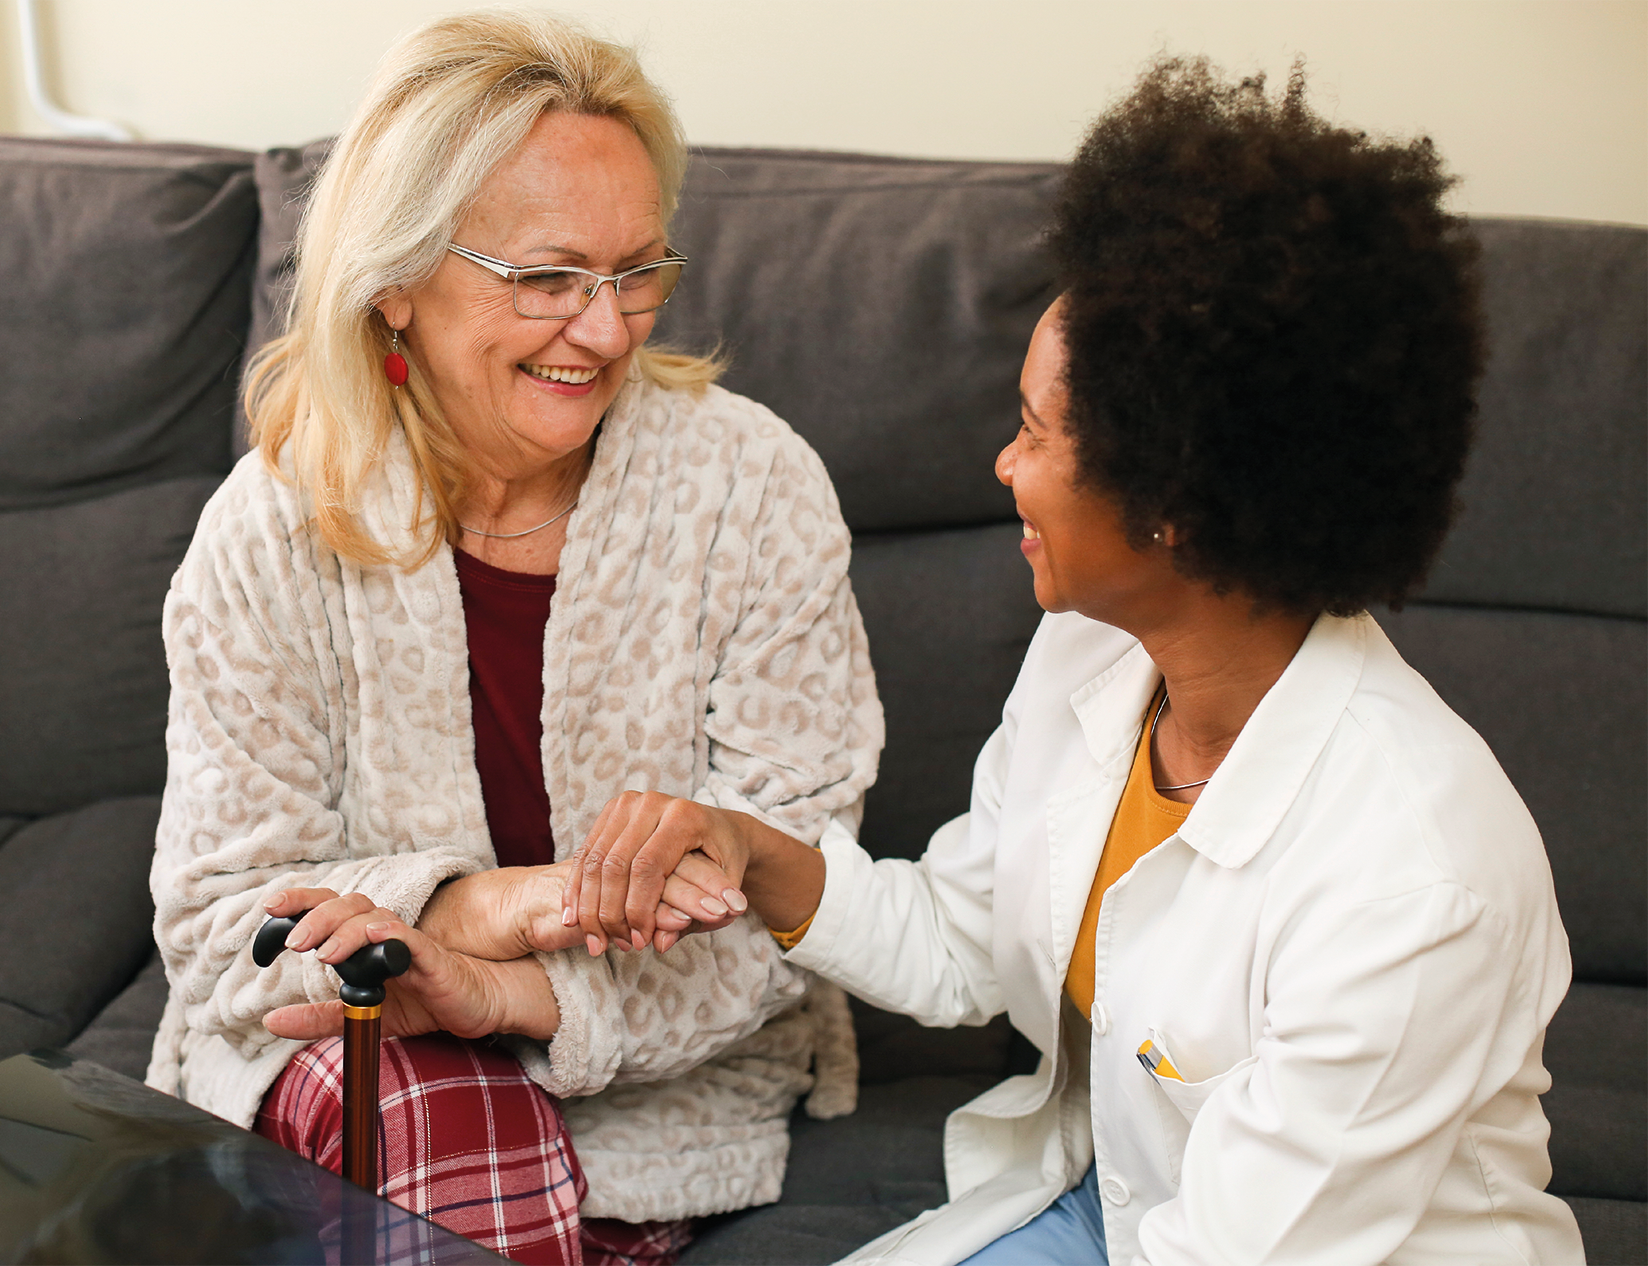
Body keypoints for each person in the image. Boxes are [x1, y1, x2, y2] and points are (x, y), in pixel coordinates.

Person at [558, 59, 1584, 1265]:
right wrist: (746, 848)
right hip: (1116, 1206)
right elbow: (959, 946)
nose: (1001, 466)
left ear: (1172, 502)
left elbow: (1229, 1252)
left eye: (1034, 432)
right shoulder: (1090, 651)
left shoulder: (1410, 881)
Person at [144, 12, 881, 1266]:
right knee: (423, 1111)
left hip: (663, 1075)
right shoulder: (272, 526)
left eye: (635, 272)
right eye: (547, 279)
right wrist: (473, 907)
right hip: (361, 1049)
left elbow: (792, 900)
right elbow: (223, 927)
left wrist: (505, 990)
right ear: (395, 281)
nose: (605, 330)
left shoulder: (752, 488)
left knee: (446, 1167)